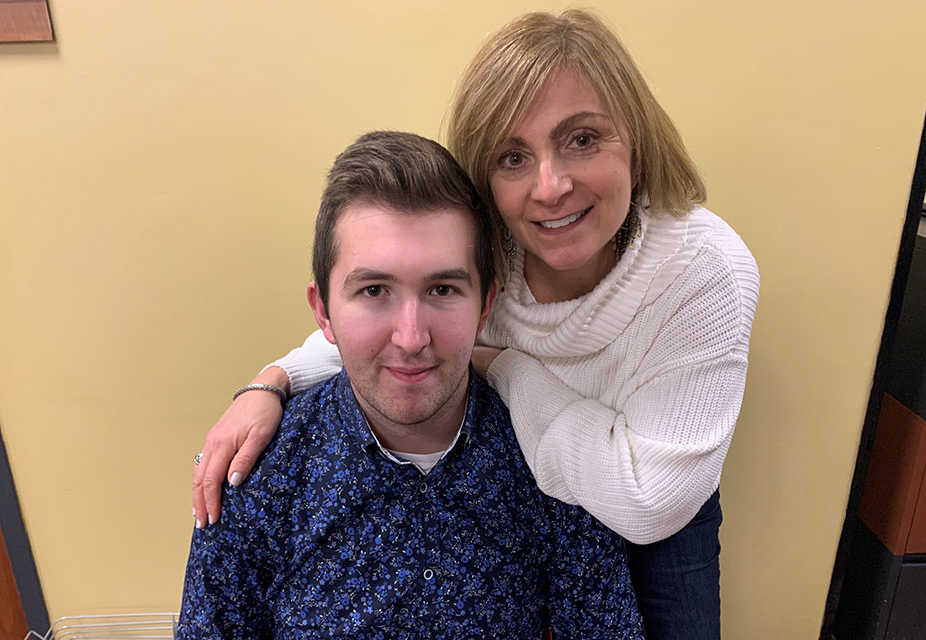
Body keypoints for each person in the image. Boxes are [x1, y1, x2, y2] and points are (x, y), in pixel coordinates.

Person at [191, 10, 759, 639]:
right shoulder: (501, 242)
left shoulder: (705, 273)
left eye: (583, 138)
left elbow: (647, 502)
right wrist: (270, 384)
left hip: (653, 479)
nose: (551, 188)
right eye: (513, 156)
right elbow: (382, 336)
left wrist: (501, 363)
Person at [178, 131, 644, 639]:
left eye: (442, 289)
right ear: (323, 312)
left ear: (484, 305)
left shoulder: (551, 464)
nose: (411, 337)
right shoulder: (258, 479)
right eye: (374, 290)